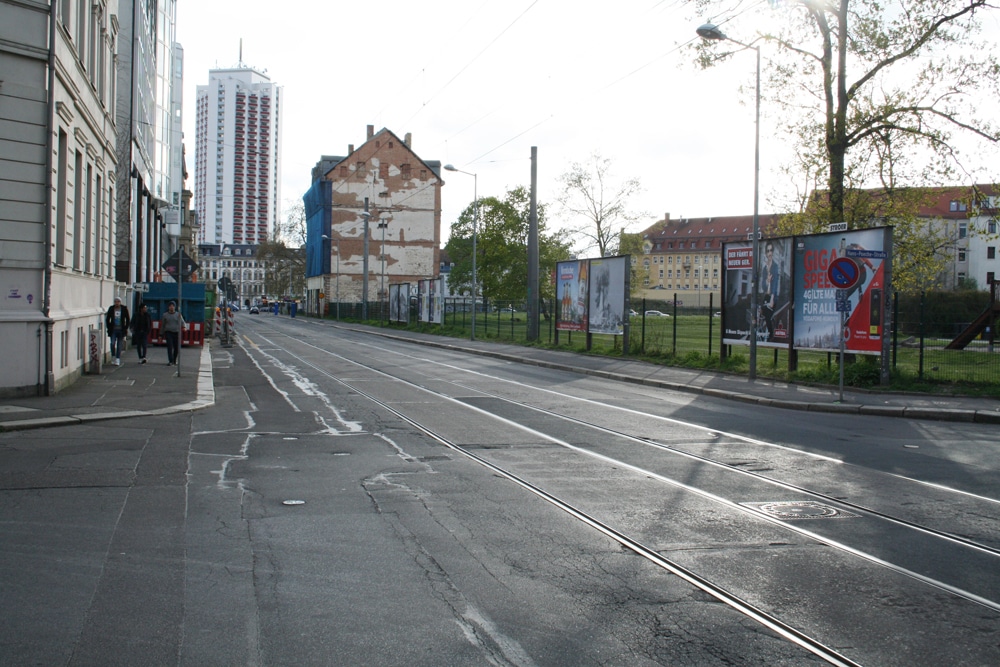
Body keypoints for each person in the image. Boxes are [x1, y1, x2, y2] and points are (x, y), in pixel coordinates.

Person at [104, 296, 130, 366]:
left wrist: (126, 327)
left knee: (119, 345)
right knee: (112, 343)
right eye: (115, 301)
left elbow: (127, 318)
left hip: (121, 329)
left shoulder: (124, 309)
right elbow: (108, 318)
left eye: (118, 302)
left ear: (120, 302)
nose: (117, 303)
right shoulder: (111, 308)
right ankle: (113, 355)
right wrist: (109, 326)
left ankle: (117, 358)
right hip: (113, 329)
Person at [160, 301, 186, 366]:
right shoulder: (165, 315)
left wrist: (184, 327)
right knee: (169, 346)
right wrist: (161, 334)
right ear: (168, 307)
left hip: (176, 332)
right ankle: (170, 361)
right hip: (168, 332)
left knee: (176, 347)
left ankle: (174, 359)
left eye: (173, 306)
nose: (171, 307)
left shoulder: (178, 314)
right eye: (170, 306)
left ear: (175, 307)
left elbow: (182, 322)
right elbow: (163, 325)